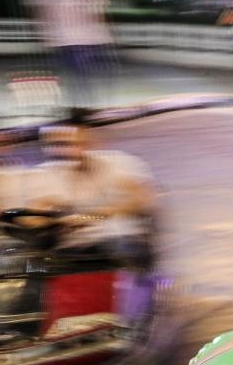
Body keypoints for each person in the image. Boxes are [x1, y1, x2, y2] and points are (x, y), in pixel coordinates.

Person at [26, 110, 156, 265]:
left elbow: (141, 198)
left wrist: (94, 215)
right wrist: (49, 222)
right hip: (72, 244)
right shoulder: (45, 173)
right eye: (59, 144)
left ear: (90, 140)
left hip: (117, 237)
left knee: (123, 255)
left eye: (74, 143)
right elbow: (36, 213)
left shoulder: (118, 163)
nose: (68, 151)